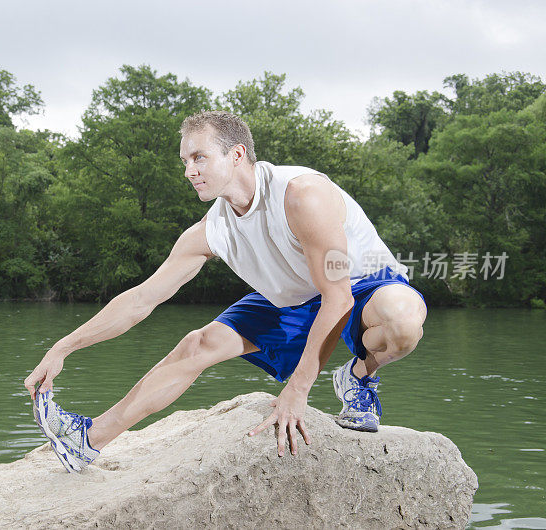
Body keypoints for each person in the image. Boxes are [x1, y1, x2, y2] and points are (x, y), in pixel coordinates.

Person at [25, 110, 427, 473]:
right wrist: (63, 347)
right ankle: (87, 441)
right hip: (292, 297)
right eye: (184, 161)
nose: (188, 170)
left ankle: (359, 375)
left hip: (359, 284)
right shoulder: (210, 231)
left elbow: (338, 296)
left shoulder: (303, 195)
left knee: (403, 321)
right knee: (197, 344)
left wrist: (297, 390)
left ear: (236, 154)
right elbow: (141, 299)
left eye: (198, 157)